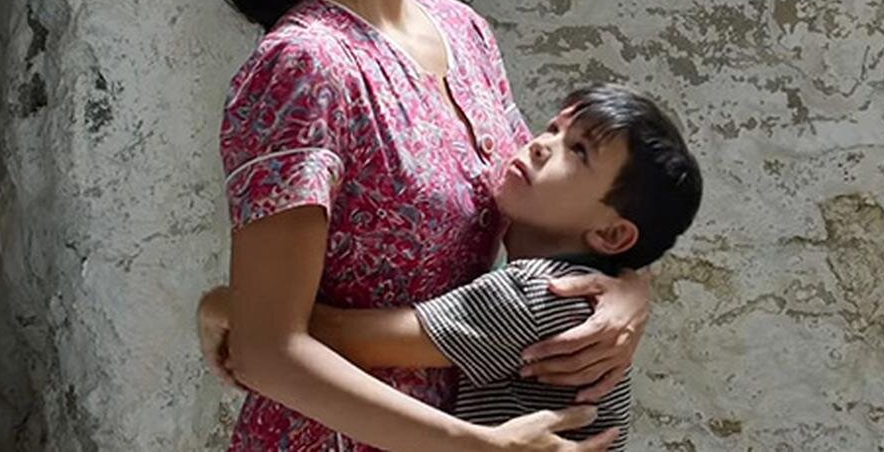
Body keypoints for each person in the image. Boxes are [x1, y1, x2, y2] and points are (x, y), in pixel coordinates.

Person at [183, 0, 655, 450]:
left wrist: (629, 289)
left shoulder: (463, 32)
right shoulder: (306, 64)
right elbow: (266, 352)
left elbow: (551, 214)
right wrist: (477, 447)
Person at [206, 84, 703, 451]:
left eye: (578, 151)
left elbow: (347, 339)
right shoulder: (584, 290)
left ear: (612, 236)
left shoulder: (535, 296)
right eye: (554, 128)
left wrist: (227, 306)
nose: (540, 144)